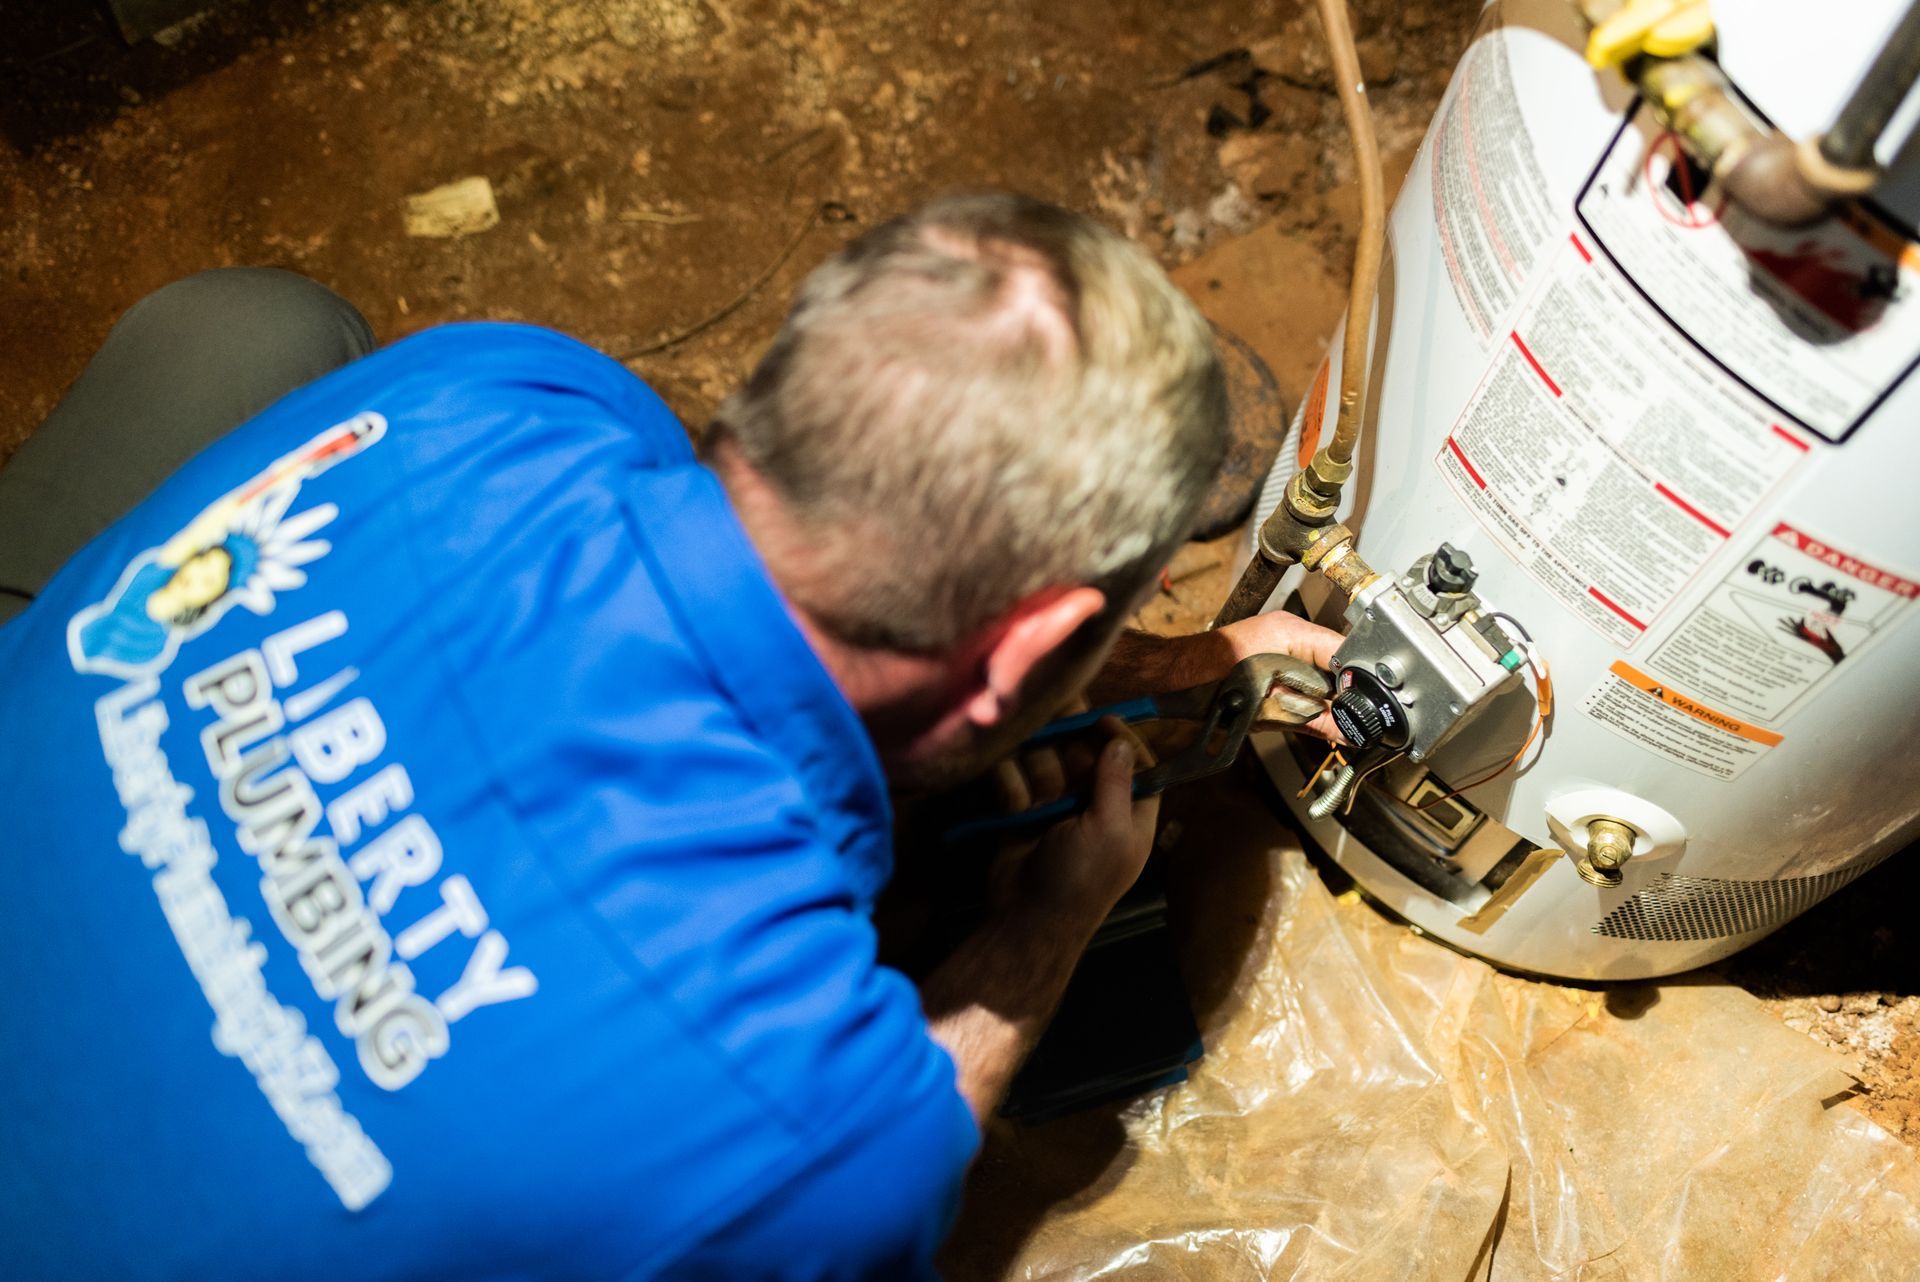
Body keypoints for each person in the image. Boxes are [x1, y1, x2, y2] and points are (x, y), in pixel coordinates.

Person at [0, 193, 1341, 1279]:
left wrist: (1189, 660)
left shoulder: (512, 392)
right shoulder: (821, 1130)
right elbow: (891, 1123)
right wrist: (1033, 940)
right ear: (1026, 653)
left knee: (248, 330)